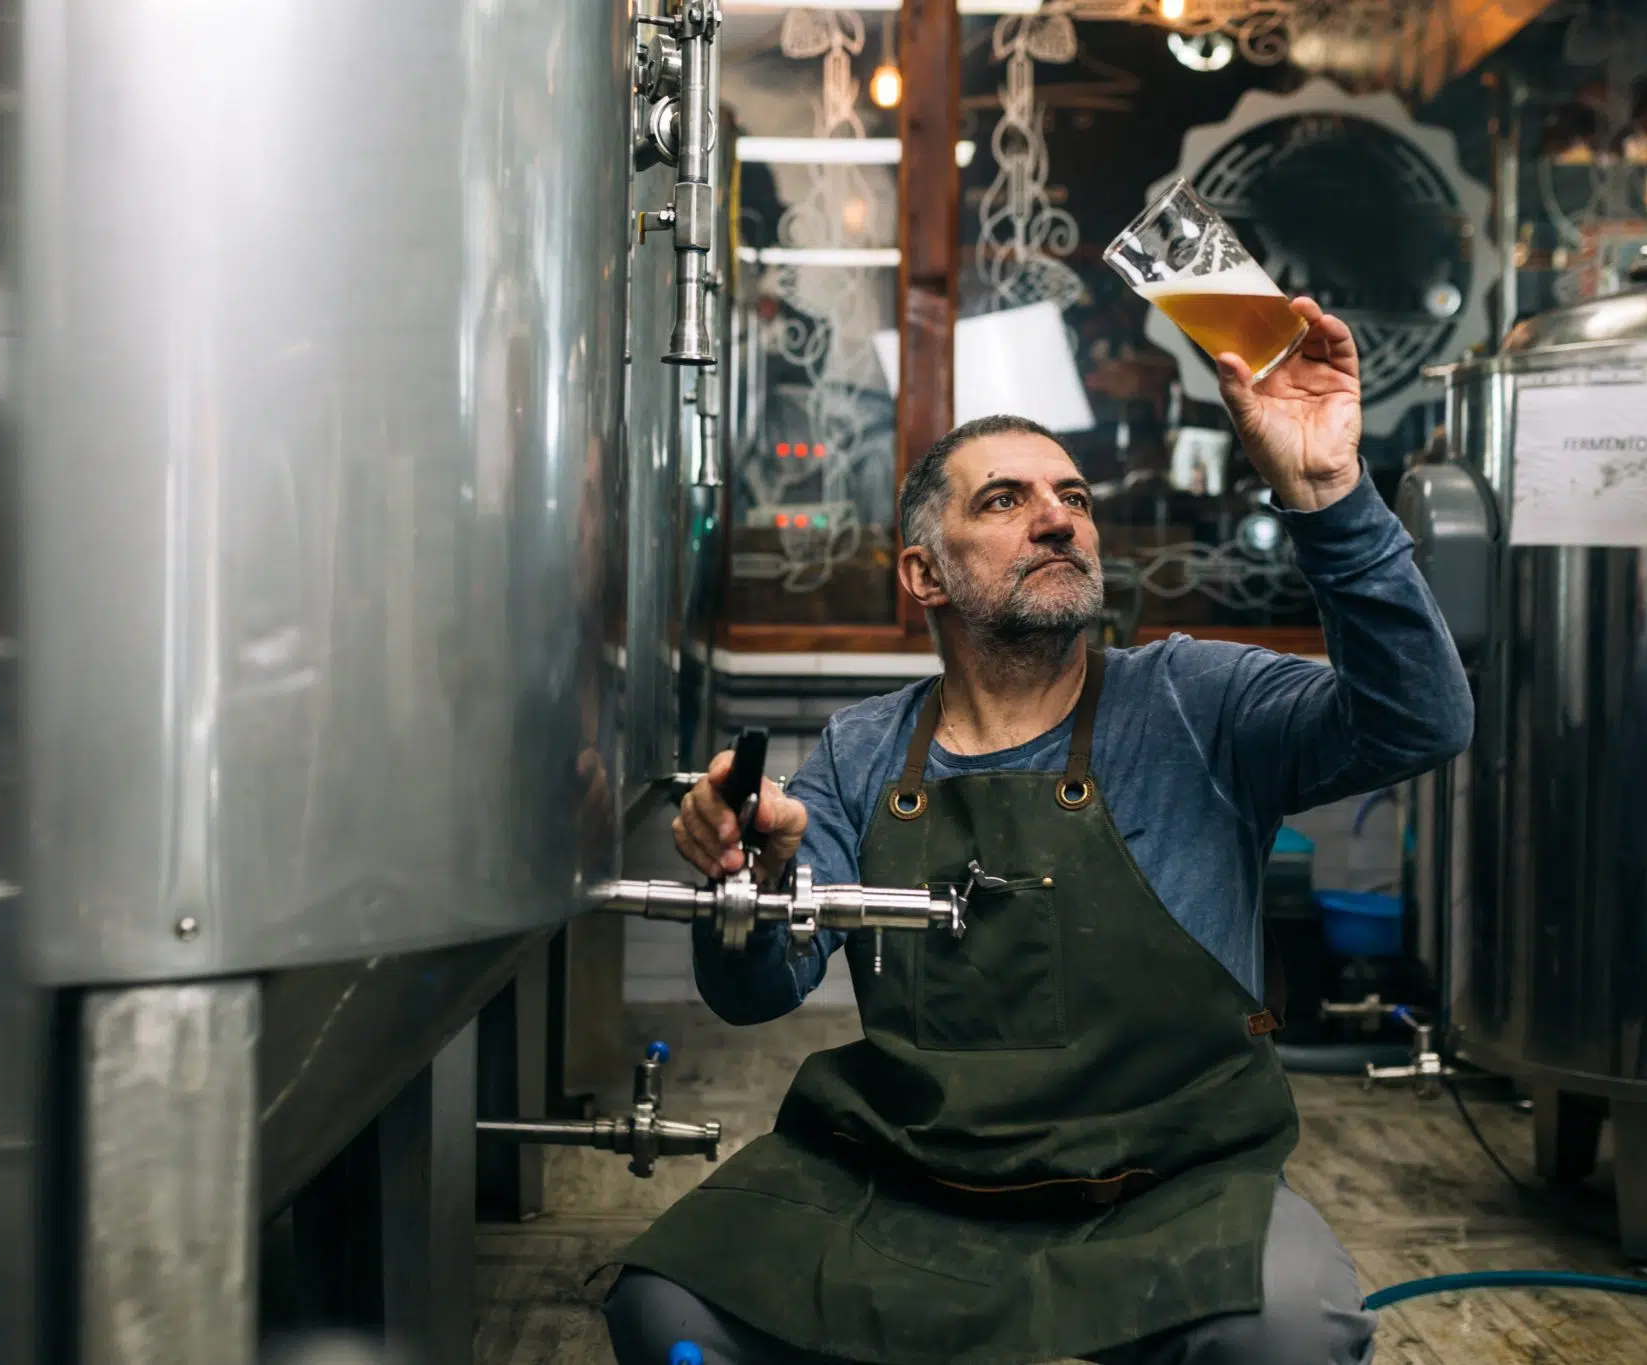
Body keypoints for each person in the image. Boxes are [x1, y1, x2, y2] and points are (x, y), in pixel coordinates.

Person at [603, 299, 1473, 1365]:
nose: (1058, 519)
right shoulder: (862, 750)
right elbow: (755, 995)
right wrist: (750, 880)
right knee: (665, 1310)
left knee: (1288, 1332)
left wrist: (1328, 493)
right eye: (1006, 500)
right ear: (923, 574)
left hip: (1167, 1187)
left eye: (1074, 498)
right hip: (906, 1179)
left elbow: (1421, 719)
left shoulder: (1197, 701)